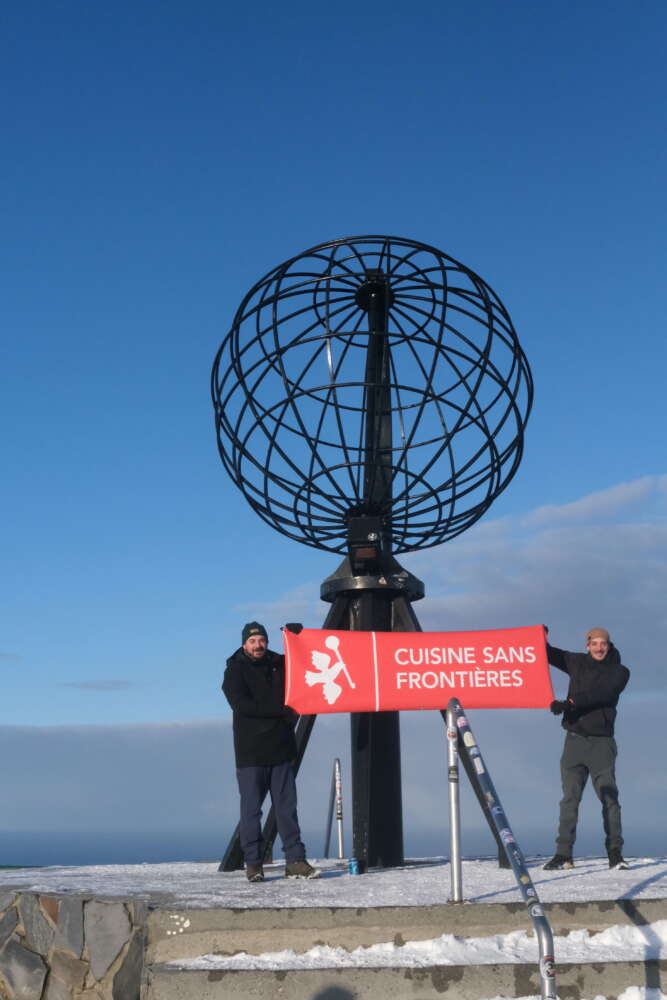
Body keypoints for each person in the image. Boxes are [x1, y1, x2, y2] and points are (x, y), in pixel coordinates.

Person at [222, 621, 320, 882]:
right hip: (251, 753)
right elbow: (242, 706)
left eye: (262, 640)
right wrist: (282, 712)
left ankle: (296, 861)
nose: (258, 645)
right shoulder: (234, 672)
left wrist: (299, 637)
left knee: (287, 809)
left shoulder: (279, 663)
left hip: (281, 749)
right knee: (251, 810)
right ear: (244, 644)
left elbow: (308, 661)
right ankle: (253, 864)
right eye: (253, 641)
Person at [543, 627, 630, 871]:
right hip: (574, 741)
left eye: (603, 643)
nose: (599, 648)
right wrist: (539, 636)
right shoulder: (577, 662)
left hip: (601, 744)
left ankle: (615, 854)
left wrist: (569, 704)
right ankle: (563, 855)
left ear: (609, 645)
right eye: (595, 643)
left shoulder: (620, 672)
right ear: (588, 645)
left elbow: (603, 694)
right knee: (569, 799)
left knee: (609, 798)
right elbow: (548, 654)